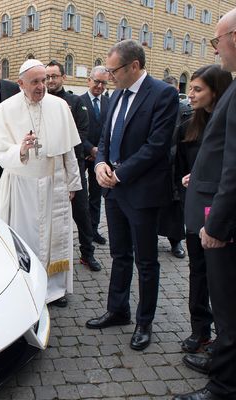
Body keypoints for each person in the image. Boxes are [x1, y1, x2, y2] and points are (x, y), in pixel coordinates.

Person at [85, 40, 178, 351]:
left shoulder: (162, 94)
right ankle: (118, 309)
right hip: (113, 191)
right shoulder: (116, 95)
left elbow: (157, 145)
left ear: (134, 66)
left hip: (141, 192)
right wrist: (99, 164)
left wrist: (120, 172)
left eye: (114, 71)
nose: (109, 76)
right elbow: (104, 137)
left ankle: (144, 321)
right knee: (119, 254)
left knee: (146, 261)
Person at [0, 59, 82, 306]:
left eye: (44, 80)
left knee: (53, 237)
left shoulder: (59, 106)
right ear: (20, 83)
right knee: (26, 238)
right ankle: (27, 287)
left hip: (53, 184)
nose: (41, 86)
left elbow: (68, 150)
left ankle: (55, 289)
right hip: (21, 186)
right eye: (35, 81)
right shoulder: (5, 110)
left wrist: (72, 183)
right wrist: (21, 150)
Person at [177, 9, 236, 399]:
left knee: (228, 311)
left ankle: (224, 386)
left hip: (224, 223)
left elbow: (233, 166)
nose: (215, 49)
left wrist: (216, 226)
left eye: (216, 40)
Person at [176, 65, 232, 360]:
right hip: (196, 210)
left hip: (219, 214)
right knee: (198, 274)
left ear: (216, 91)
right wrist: (190, 177)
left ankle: (222, 347)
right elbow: (187, 164)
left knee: (219, 280)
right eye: (191, 88)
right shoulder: (189, 124)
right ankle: (200, 330)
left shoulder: (226, 123)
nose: (191, 94)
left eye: (198, 89)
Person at [46, 60, 102, 278]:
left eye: (54, 76)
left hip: (72, 165)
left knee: (82, 212)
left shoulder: (75, 102)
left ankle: (87, 253)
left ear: (63, 77)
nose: (50, 81)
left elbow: (81, 133)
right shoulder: (40, 101)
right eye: (47, 77)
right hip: (48, 169)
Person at [157, 75, 191, 258]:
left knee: (175, 208)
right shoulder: (157, 108)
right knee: (155, 205)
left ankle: (175, 241)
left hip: (177, 165)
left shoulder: (186, 110)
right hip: (158, 165)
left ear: (177, 90)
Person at [80, 66, 110, 245]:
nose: (99, 85)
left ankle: (94, 229)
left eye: (103, 82)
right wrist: (90, 149)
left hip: (100, 158)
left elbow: (109, 130)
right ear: (89, 80)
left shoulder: (108, 102)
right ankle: (85, 232)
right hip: (83, 156)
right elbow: (76, 131)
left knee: (96, 197)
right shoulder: (78, 101)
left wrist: (100, 152)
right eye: (97, 81)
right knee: (82, 197)